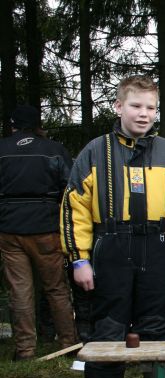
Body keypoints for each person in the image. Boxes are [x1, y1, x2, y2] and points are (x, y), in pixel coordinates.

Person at [61, 76, 165, 378]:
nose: (143, 113)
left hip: (159, 247)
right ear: (118, 107)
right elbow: (74, 208)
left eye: (151, 107)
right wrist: (79, 259)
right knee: (107, 332)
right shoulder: (96, 151)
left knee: (157, 331)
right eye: (136, 105)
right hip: (112, 246)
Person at [0, 105, 78, 361]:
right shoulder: (54, 149)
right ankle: (68, 345)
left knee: (19, 290)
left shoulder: (2, 149)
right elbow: (71, 188)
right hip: (46, 227)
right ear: (37, 125)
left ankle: (25, 350)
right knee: (56, 288)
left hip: (9, 228)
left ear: (13, 125)